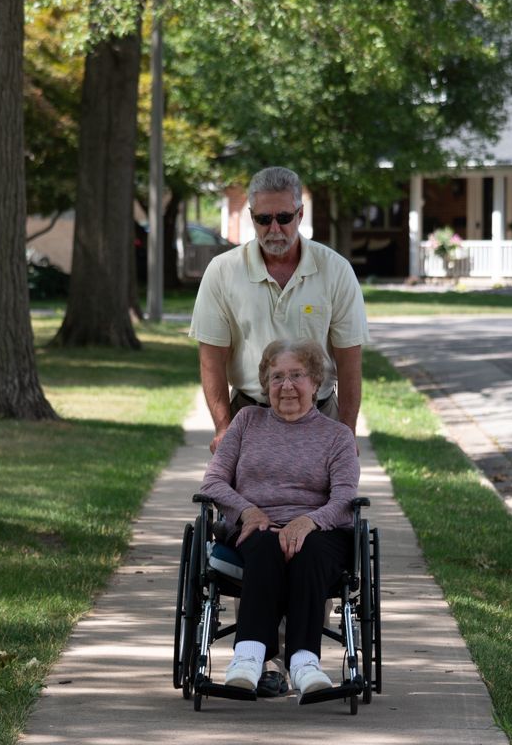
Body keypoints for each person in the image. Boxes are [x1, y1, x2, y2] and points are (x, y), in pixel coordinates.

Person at [198, 339, 359, 699]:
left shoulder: (336, 436)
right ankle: (248, 659)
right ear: (265, 384)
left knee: (309, 550)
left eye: (297, 376)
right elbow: (213, 481)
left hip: (321, 532)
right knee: (266, 544)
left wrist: (308, 522)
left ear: (316, 383)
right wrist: (248, 511)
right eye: (276, 377)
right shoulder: (246, 422)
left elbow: (346, 497)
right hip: (255, 528)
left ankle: (304, 663)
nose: (286, 386)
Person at [190, 166, 368, 454]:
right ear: (252, 217)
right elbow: (211, 358)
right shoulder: (222, 272)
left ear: (299, 214)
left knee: (325, 499)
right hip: (248, 415)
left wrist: (347, 431)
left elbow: (350, 359)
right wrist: (223, 428)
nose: (274, 229)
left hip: (320, 415)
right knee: (246, 500)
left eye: (284, 218)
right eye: (264, 219)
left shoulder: (335, 270)